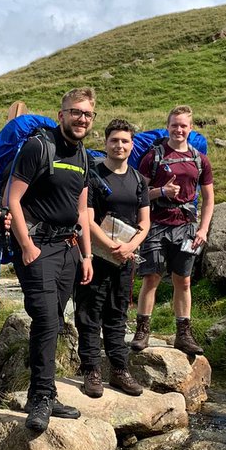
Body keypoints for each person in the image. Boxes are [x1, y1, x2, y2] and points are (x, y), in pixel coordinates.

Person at [7, 88, 96, 432]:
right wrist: (26, 245)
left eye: (87, 114)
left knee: (54, 321)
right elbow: (13, 199)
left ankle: (44, 393)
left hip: (68, 248)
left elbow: (82, 210)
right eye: (75, 112)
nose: (81, 119)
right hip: (38, 245)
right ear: (61, 115)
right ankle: (42, 397)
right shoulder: (39, 147)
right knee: (45, 319)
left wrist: (86, 255)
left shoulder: (83, 156)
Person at [131, 105, 214, 356]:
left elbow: (209, 198)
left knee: (183, 281)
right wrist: (162, 192)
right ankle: (142, 331)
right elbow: (139, 194)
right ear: (167, 126)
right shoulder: (153, 157)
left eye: (183, 126)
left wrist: (203, 229)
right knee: (151, 278)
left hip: (186, 228)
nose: (179, 130)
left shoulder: (200, 160)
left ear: (190, 128)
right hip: (156, 225)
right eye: (174, 125)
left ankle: (183, 335)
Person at [75, 118, 150, 398]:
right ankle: (91, 371)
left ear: (132, 145)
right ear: (105, 143)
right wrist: (109, 245)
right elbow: (86, 217)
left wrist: (130, 247)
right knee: (89, 314)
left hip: (125, 259)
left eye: (125, 141)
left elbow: (145, 222)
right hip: (94, 256)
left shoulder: (138, 180)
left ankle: (119, 370)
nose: (120, 145)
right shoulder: (93, 175)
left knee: (118, 314)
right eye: (114, 140)